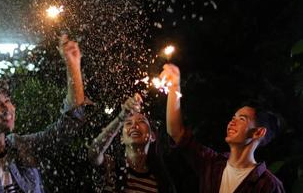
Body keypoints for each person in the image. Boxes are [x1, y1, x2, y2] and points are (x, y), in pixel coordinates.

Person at [0, 34, 87, 192]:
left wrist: (73, 65)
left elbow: (69, 125)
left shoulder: (21, 146)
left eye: (7, 101)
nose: (7, 109)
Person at [160, 63, 285, 193]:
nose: (232, 122)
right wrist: (174, 86)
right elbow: (176, 132)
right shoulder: (212, 164)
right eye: (233, 118)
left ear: (258, 132)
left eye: (242, 119)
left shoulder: (268, 186)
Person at [88, 93, 176, 192]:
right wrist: (122, 117)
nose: (134, 125)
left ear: (152, 136)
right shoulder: (111, 167)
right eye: (128, 123)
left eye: (141, 121)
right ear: (122, 139)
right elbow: (93, 153)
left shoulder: (160, 182)